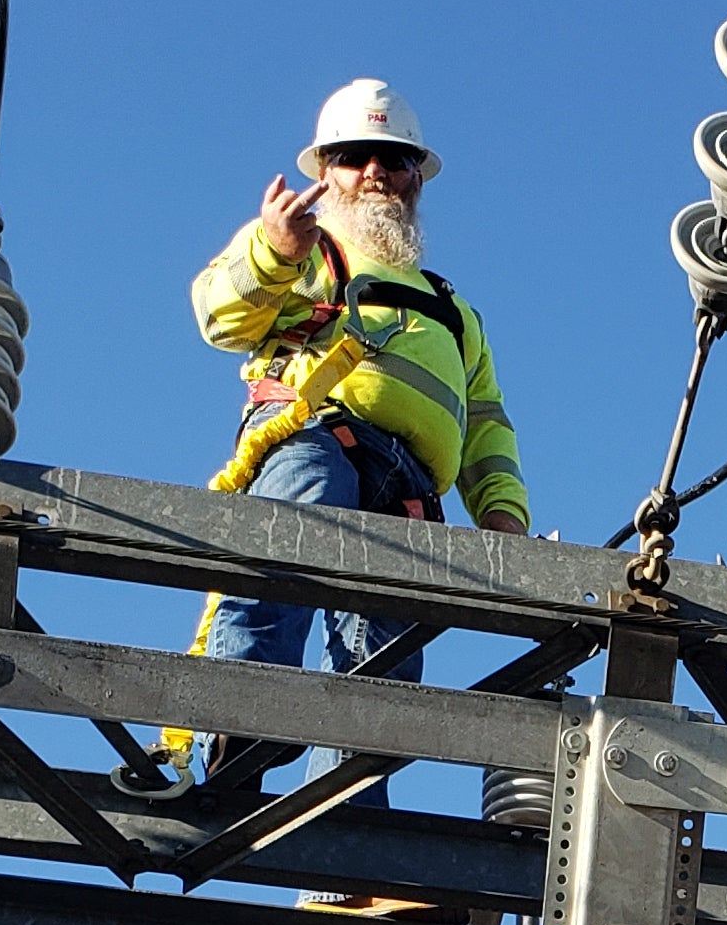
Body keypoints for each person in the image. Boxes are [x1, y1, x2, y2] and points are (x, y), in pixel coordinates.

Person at [166, 80, 530, 791]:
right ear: (325, 171)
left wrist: (502, 511)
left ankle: (347, 845)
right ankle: (237, 738)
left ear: (415, 178)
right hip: (316, 439)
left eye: (393, 160)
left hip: (413, 491)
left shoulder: (453, 312)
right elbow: (217, 315)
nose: (375, 173)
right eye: (356, 156)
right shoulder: (301, 250)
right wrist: (273, 251)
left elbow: (485, 419)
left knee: (384, 660)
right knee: (285, 556)